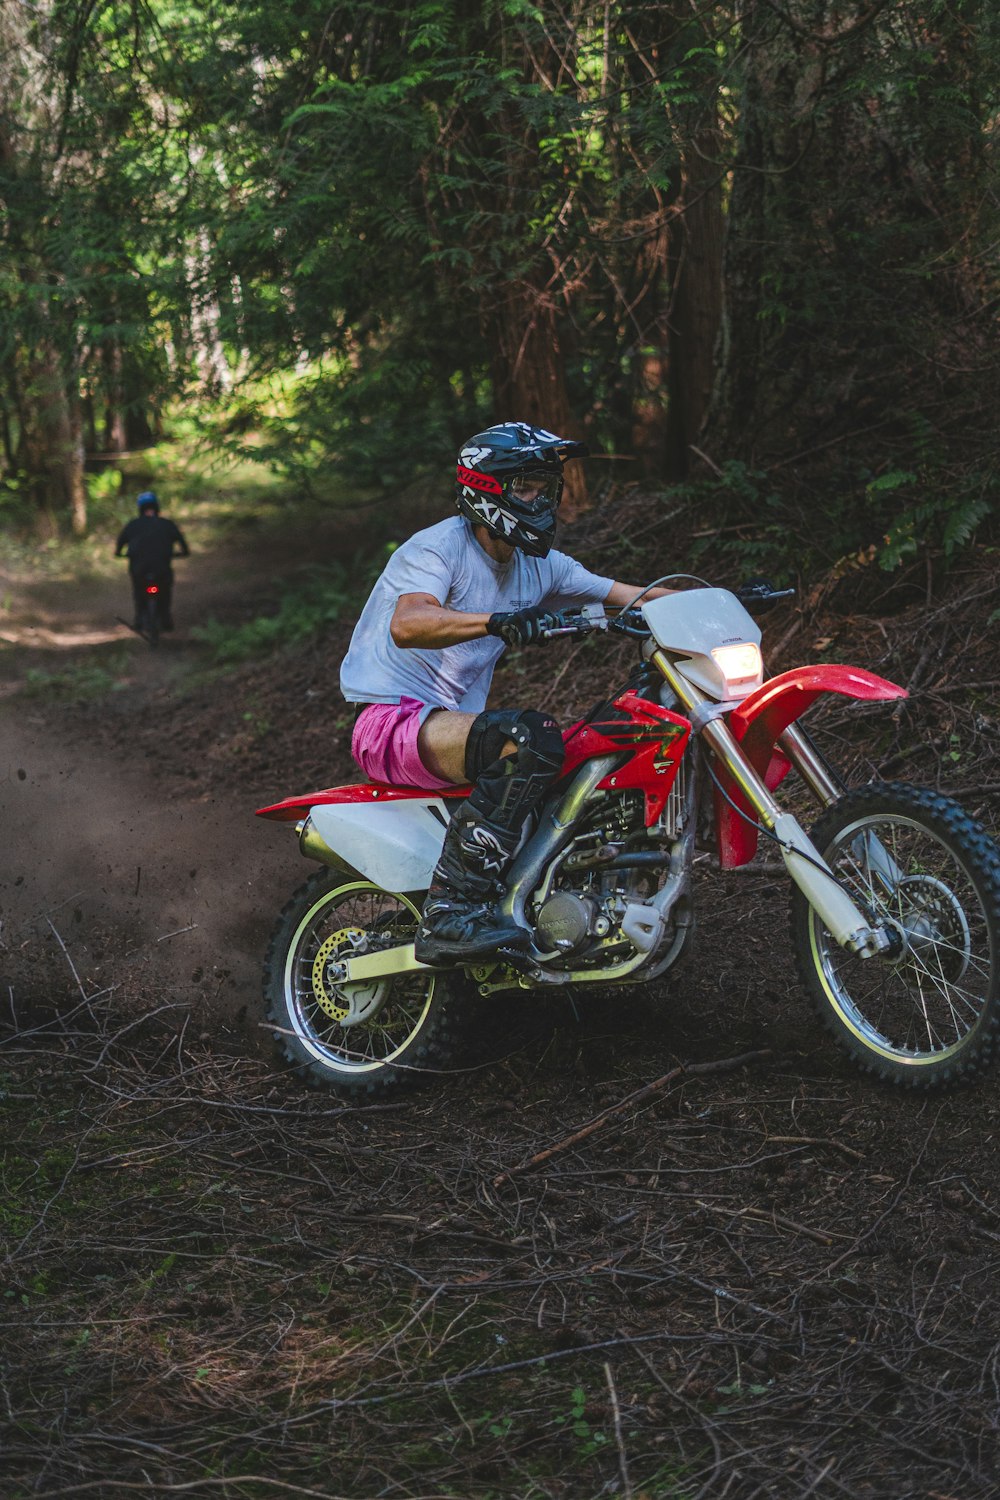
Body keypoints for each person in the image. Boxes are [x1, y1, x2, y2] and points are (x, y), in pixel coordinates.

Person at [339, 421, 669, 967]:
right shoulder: (437, 548)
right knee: (530, 736)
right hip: (391, 722)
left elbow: (634, 597)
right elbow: (410, 622)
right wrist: (497, 621)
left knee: (590, 748)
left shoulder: (540, 565)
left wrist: (721, 599)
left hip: (450, 727)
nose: (542, 500)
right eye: (527, 487)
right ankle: (449, 914)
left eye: (547, 487)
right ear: (488, 488)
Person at [114, 491, 190, 631]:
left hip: (139, 570)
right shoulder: (167, 524)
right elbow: (183, 544)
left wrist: (119, 553)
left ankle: (139, 618)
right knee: (165, 591)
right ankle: (165, 618)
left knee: (138, 591)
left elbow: (120, 544)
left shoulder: (132, 525)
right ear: (157, 507)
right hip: (162, 569)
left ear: (140, 508)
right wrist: (181, 553)